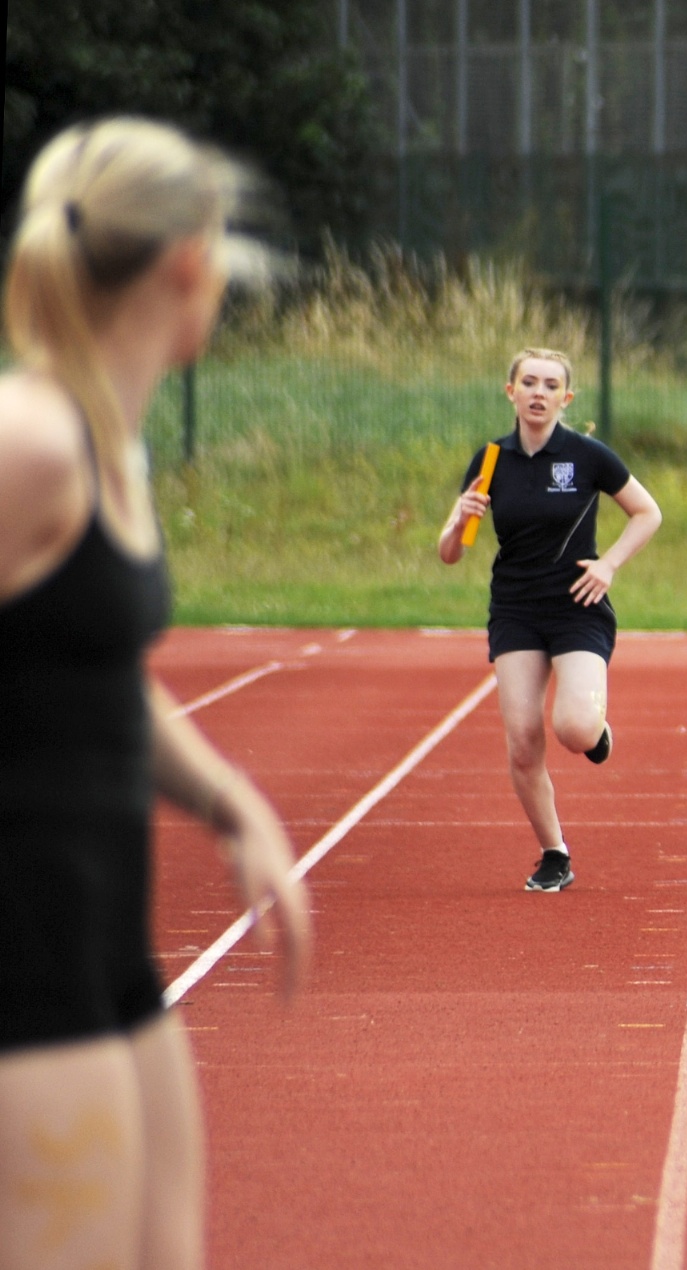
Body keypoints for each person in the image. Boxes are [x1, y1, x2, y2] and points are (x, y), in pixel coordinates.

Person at [0, 118, 312, 1270]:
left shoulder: (104, 449)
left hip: (105, 956)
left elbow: (90, 682)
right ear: (190, 261)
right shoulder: (29, 443)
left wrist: (230, 802)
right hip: (26, 972)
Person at [439, 348, 662, 894]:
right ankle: (554, 852)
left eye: (550, 385)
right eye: (529, 382)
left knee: (574, 729)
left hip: (576, 604)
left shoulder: (586, 455)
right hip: (515, 609)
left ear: (567, 397)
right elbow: (450, 552)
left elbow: (647, 512)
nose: (538, 393)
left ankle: (596, 729)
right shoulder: (491, 459)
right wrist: (459, 522)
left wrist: (609, 564)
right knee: (522, 741)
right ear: (510, 391)